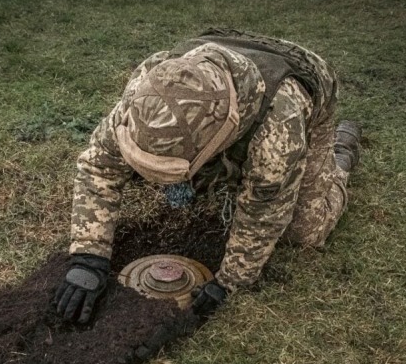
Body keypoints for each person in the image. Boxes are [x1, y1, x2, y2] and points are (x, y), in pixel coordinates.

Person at [53, 29, 362, 323]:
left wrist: (229, 282)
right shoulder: (147, 92)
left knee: (306, 231)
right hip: (226, 58)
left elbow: (263, 215)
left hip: (306, 78)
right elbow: (99, 165)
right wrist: (88, 256)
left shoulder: (279, 132)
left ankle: (340, 153)